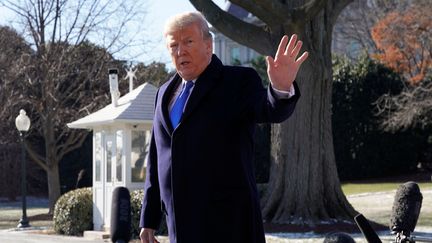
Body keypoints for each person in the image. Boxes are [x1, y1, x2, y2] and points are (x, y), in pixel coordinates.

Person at [140, 12, 308, 243]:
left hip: (230, 226)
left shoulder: (238, 81)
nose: (181, 51)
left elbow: (269, 109)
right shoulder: (163, 93)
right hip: (180, 228)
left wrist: (280, 88)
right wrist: (148, 219)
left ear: (208, 45)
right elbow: (157, 158)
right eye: (174, 45)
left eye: (188, 41)